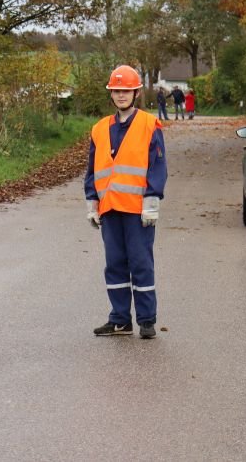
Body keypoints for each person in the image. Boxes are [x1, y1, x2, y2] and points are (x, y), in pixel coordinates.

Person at [84, 65, 168, 339]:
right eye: (116, 90)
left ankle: (146, 320)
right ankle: (120, 319)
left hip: (137, 211)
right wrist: (91, 201)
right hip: (110, 210)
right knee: (115, 264)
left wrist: (152, 201)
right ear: (111, 93)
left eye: (125, 90)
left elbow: (157, 165)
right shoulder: (99, 129)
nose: (121, 95)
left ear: (135, 92)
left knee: (140, 263)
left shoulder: (148, 124)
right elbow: (92, 169)